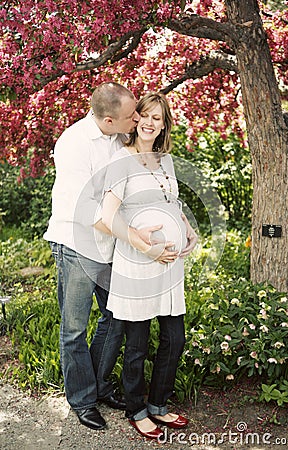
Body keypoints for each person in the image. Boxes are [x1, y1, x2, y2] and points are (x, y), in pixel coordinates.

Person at [43, 82, 178, 431]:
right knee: (74, 328)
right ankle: (82, 400)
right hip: (77, 244)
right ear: (107, 120)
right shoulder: (73, 144)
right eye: (131, 115)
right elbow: (89, 210)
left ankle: (100, 385)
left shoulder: (121, 137)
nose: (137, 118)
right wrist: (137, 238)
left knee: (115, 319)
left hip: (110, 248)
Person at [97, 92, 198, 440]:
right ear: (135, 119)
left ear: (164, 124)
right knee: (137, 344)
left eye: (159, 117)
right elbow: (108, 217)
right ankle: (136, 409)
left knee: (175, 338)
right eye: (146, 115)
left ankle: (158, 404)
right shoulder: (121, 162)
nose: (151, 122)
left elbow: (172, 201)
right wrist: (146, 246)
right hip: (138, 263)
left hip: (169, 265)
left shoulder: (165, 161)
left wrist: (186, 227)